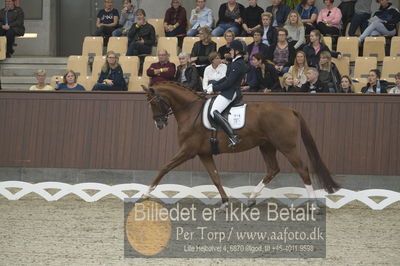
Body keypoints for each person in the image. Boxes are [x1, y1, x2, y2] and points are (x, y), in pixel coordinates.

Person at [205, 40, 248, 147]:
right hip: (229, 91)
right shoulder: (235, 63)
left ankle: (233, 136)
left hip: (231, 92)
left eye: (232, 50)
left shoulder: (238, 64)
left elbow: (229, 83)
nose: (230, 51)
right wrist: (212, 85)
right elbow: (226, 78)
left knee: (214, 112)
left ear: (237, 51)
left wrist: (214, 89)